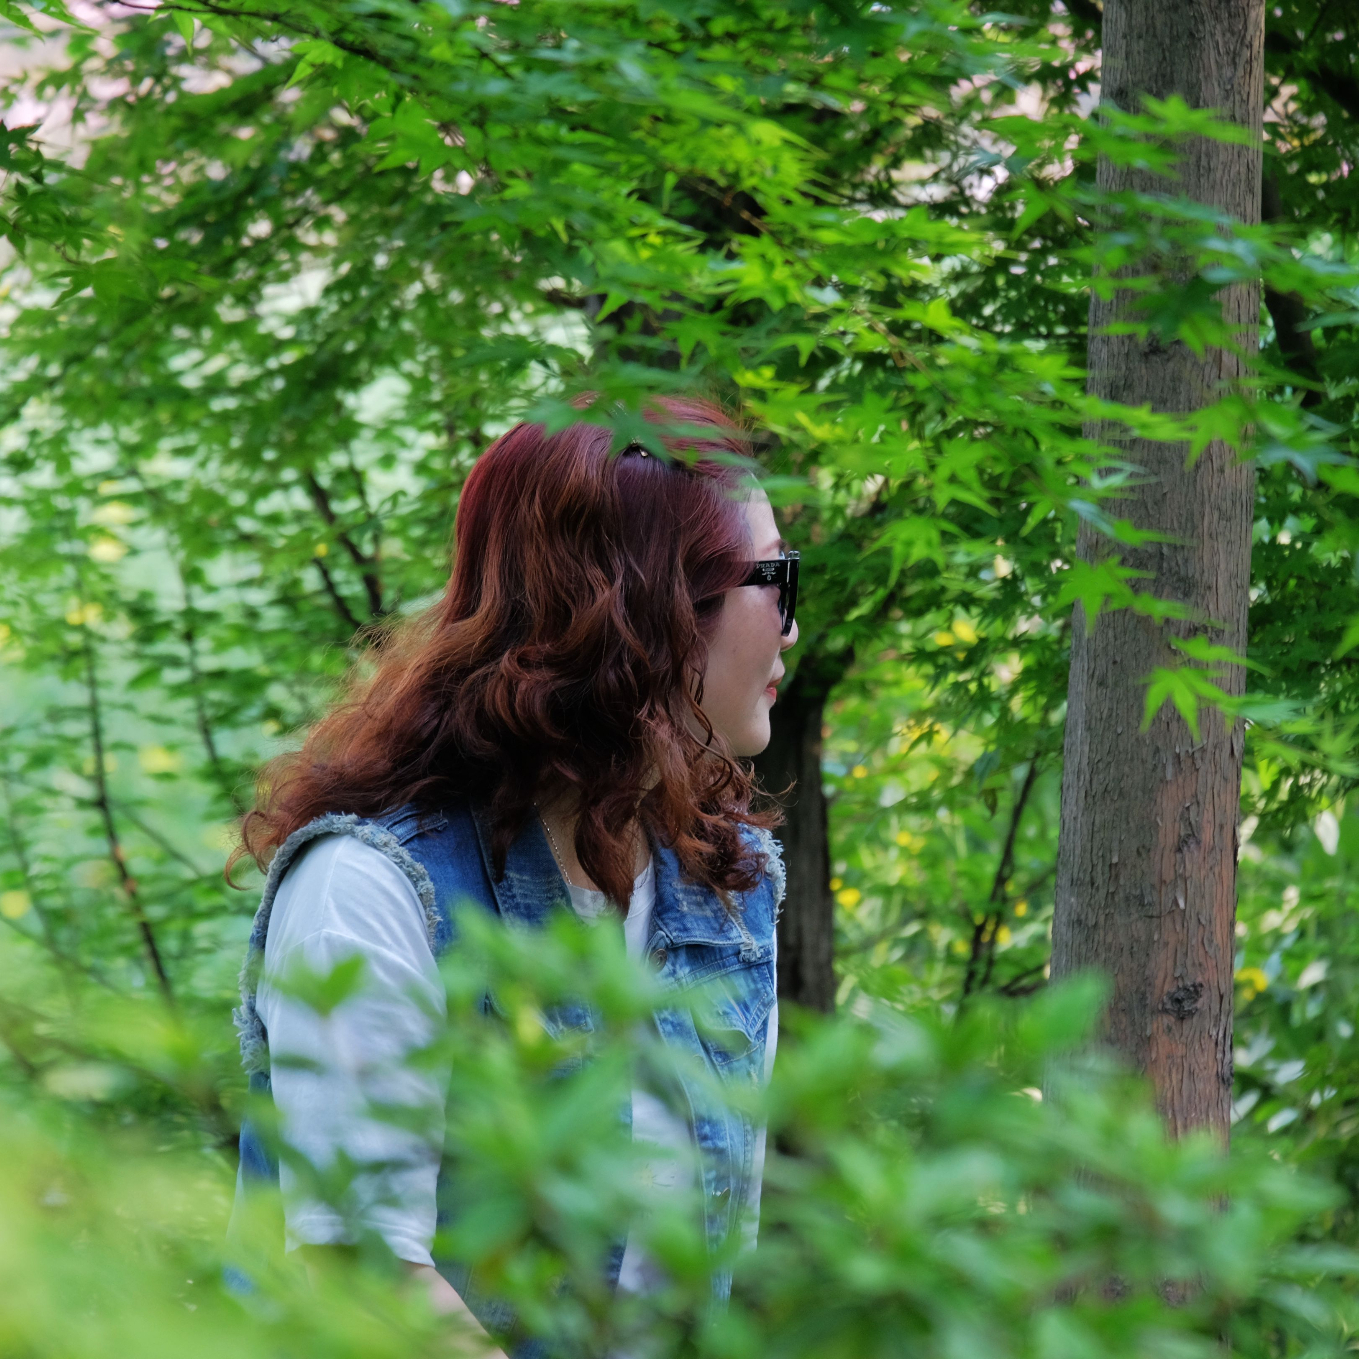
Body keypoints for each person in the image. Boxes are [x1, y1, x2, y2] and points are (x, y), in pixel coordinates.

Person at [230, 396, 800, 1355]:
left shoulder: (728, 885)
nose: (790, 626)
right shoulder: (370, 888)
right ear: (647, 597)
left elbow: (716, 1263)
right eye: (775, 578)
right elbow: (362, 1275)